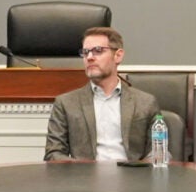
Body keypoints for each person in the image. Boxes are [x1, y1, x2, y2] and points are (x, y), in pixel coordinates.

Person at [43, 26, 165, 163]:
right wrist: (82, 170)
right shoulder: (66, 103)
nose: (89, 57)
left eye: (98, 51)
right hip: (85, 180)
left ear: (118, 55)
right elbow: (53, 153)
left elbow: (158, 151)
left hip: (132, 179)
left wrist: (139, 172)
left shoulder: (145, 102)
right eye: (85, 52)